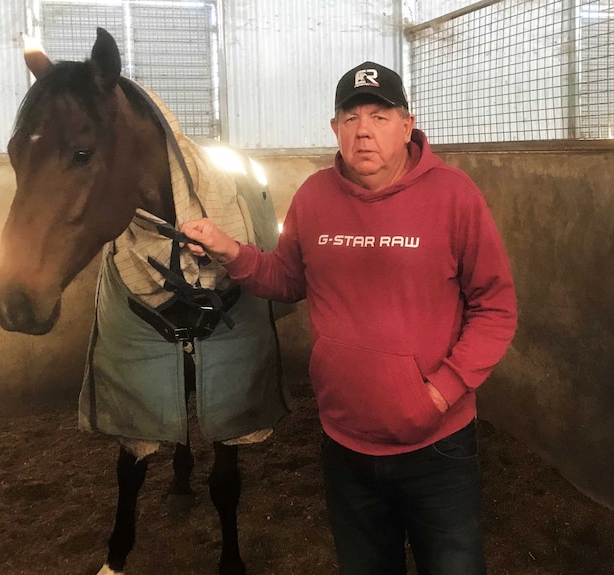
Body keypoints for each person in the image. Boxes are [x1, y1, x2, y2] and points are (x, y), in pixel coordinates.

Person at [181, 61, 517, 575]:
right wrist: (230, 251)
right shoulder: (314, 196)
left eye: (380, 116)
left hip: (437, 445)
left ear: (407, 125)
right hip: (345, 442)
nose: (364, 130)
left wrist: (441, 390)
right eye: (351, 117)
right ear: (334, 128)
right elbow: (289, 280)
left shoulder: (454, 197)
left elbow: (495, 307)